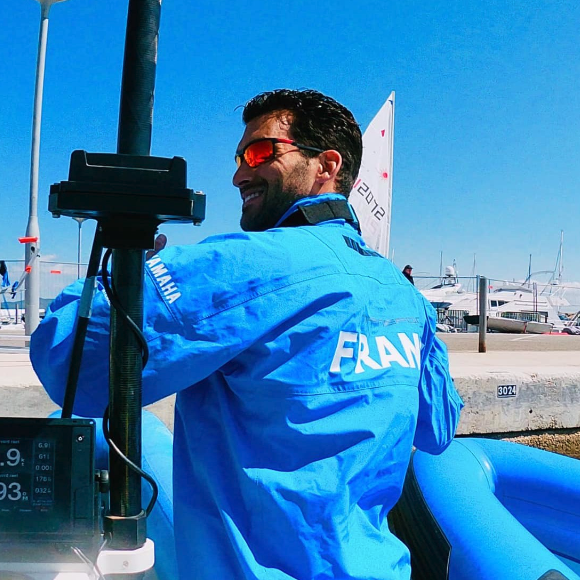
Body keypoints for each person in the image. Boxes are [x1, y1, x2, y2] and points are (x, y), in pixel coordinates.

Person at [30, 89, 463, 580]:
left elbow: (68, 365)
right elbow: (437, 429)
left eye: (260, 153)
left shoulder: (241, 265)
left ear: (326, 165)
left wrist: (126, 271)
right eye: (239, 158)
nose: (239, 174)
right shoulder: (404, 295)